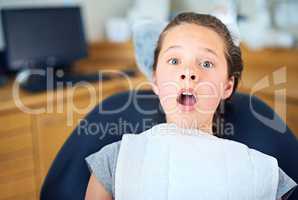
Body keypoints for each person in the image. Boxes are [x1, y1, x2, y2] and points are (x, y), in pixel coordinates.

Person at [84, 12, 297, 200]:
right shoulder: (116, 162)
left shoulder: (260, 175)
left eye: (206, 63)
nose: (189, 71)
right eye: (175, 61)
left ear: (227, 86)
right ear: (156, 80)